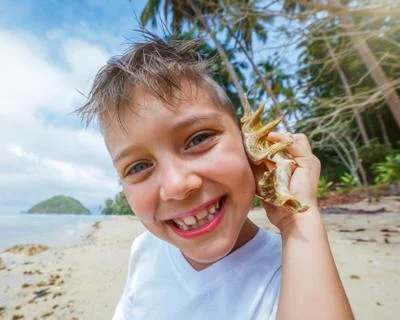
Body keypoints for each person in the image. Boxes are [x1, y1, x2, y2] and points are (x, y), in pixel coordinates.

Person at [77, 34, 354, 320]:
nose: (177, 186)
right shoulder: (144, 250)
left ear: (248, 144)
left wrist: (298, 217)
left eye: (198, 139)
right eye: (137, 167)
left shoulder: (295, 271)